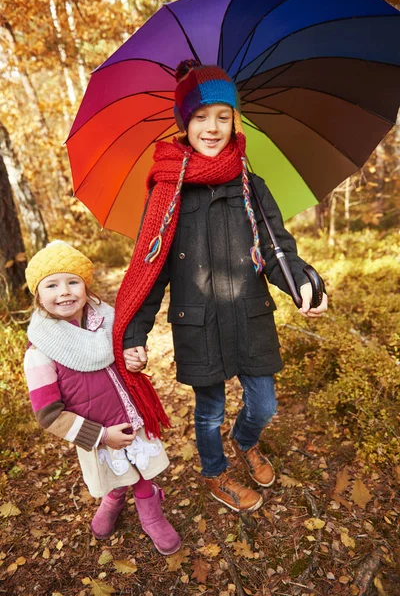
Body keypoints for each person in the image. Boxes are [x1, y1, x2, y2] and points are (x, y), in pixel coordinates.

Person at [113, 60, 328, 513]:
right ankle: (215, 473)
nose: (212, 128)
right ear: (184, 123)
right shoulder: (167, 194)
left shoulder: (252, 185)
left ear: (235, 120)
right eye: (200, 117)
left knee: (264, 404)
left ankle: (245, 440)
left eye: (223, 116)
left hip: (250, 315)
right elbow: (151, 271)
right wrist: (134, 335)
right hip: (198, 322)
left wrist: (304, 282)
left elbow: (278, 251)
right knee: (208, 410)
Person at [23, 241, 181, 554]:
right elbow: (49, 415)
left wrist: (134, 359)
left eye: (73, 281)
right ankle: (113, 500)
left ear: (85, 286)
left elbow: (124, 358)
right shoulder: (40, 352)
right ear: (38, 296)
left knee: (140, 473)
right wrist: (101, 435)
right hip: (97, 431)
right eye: (52, 285)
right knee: (114, 473)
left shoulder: (108, 322)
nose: (64, 291)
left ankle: (151, 514)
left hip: (130, 417)